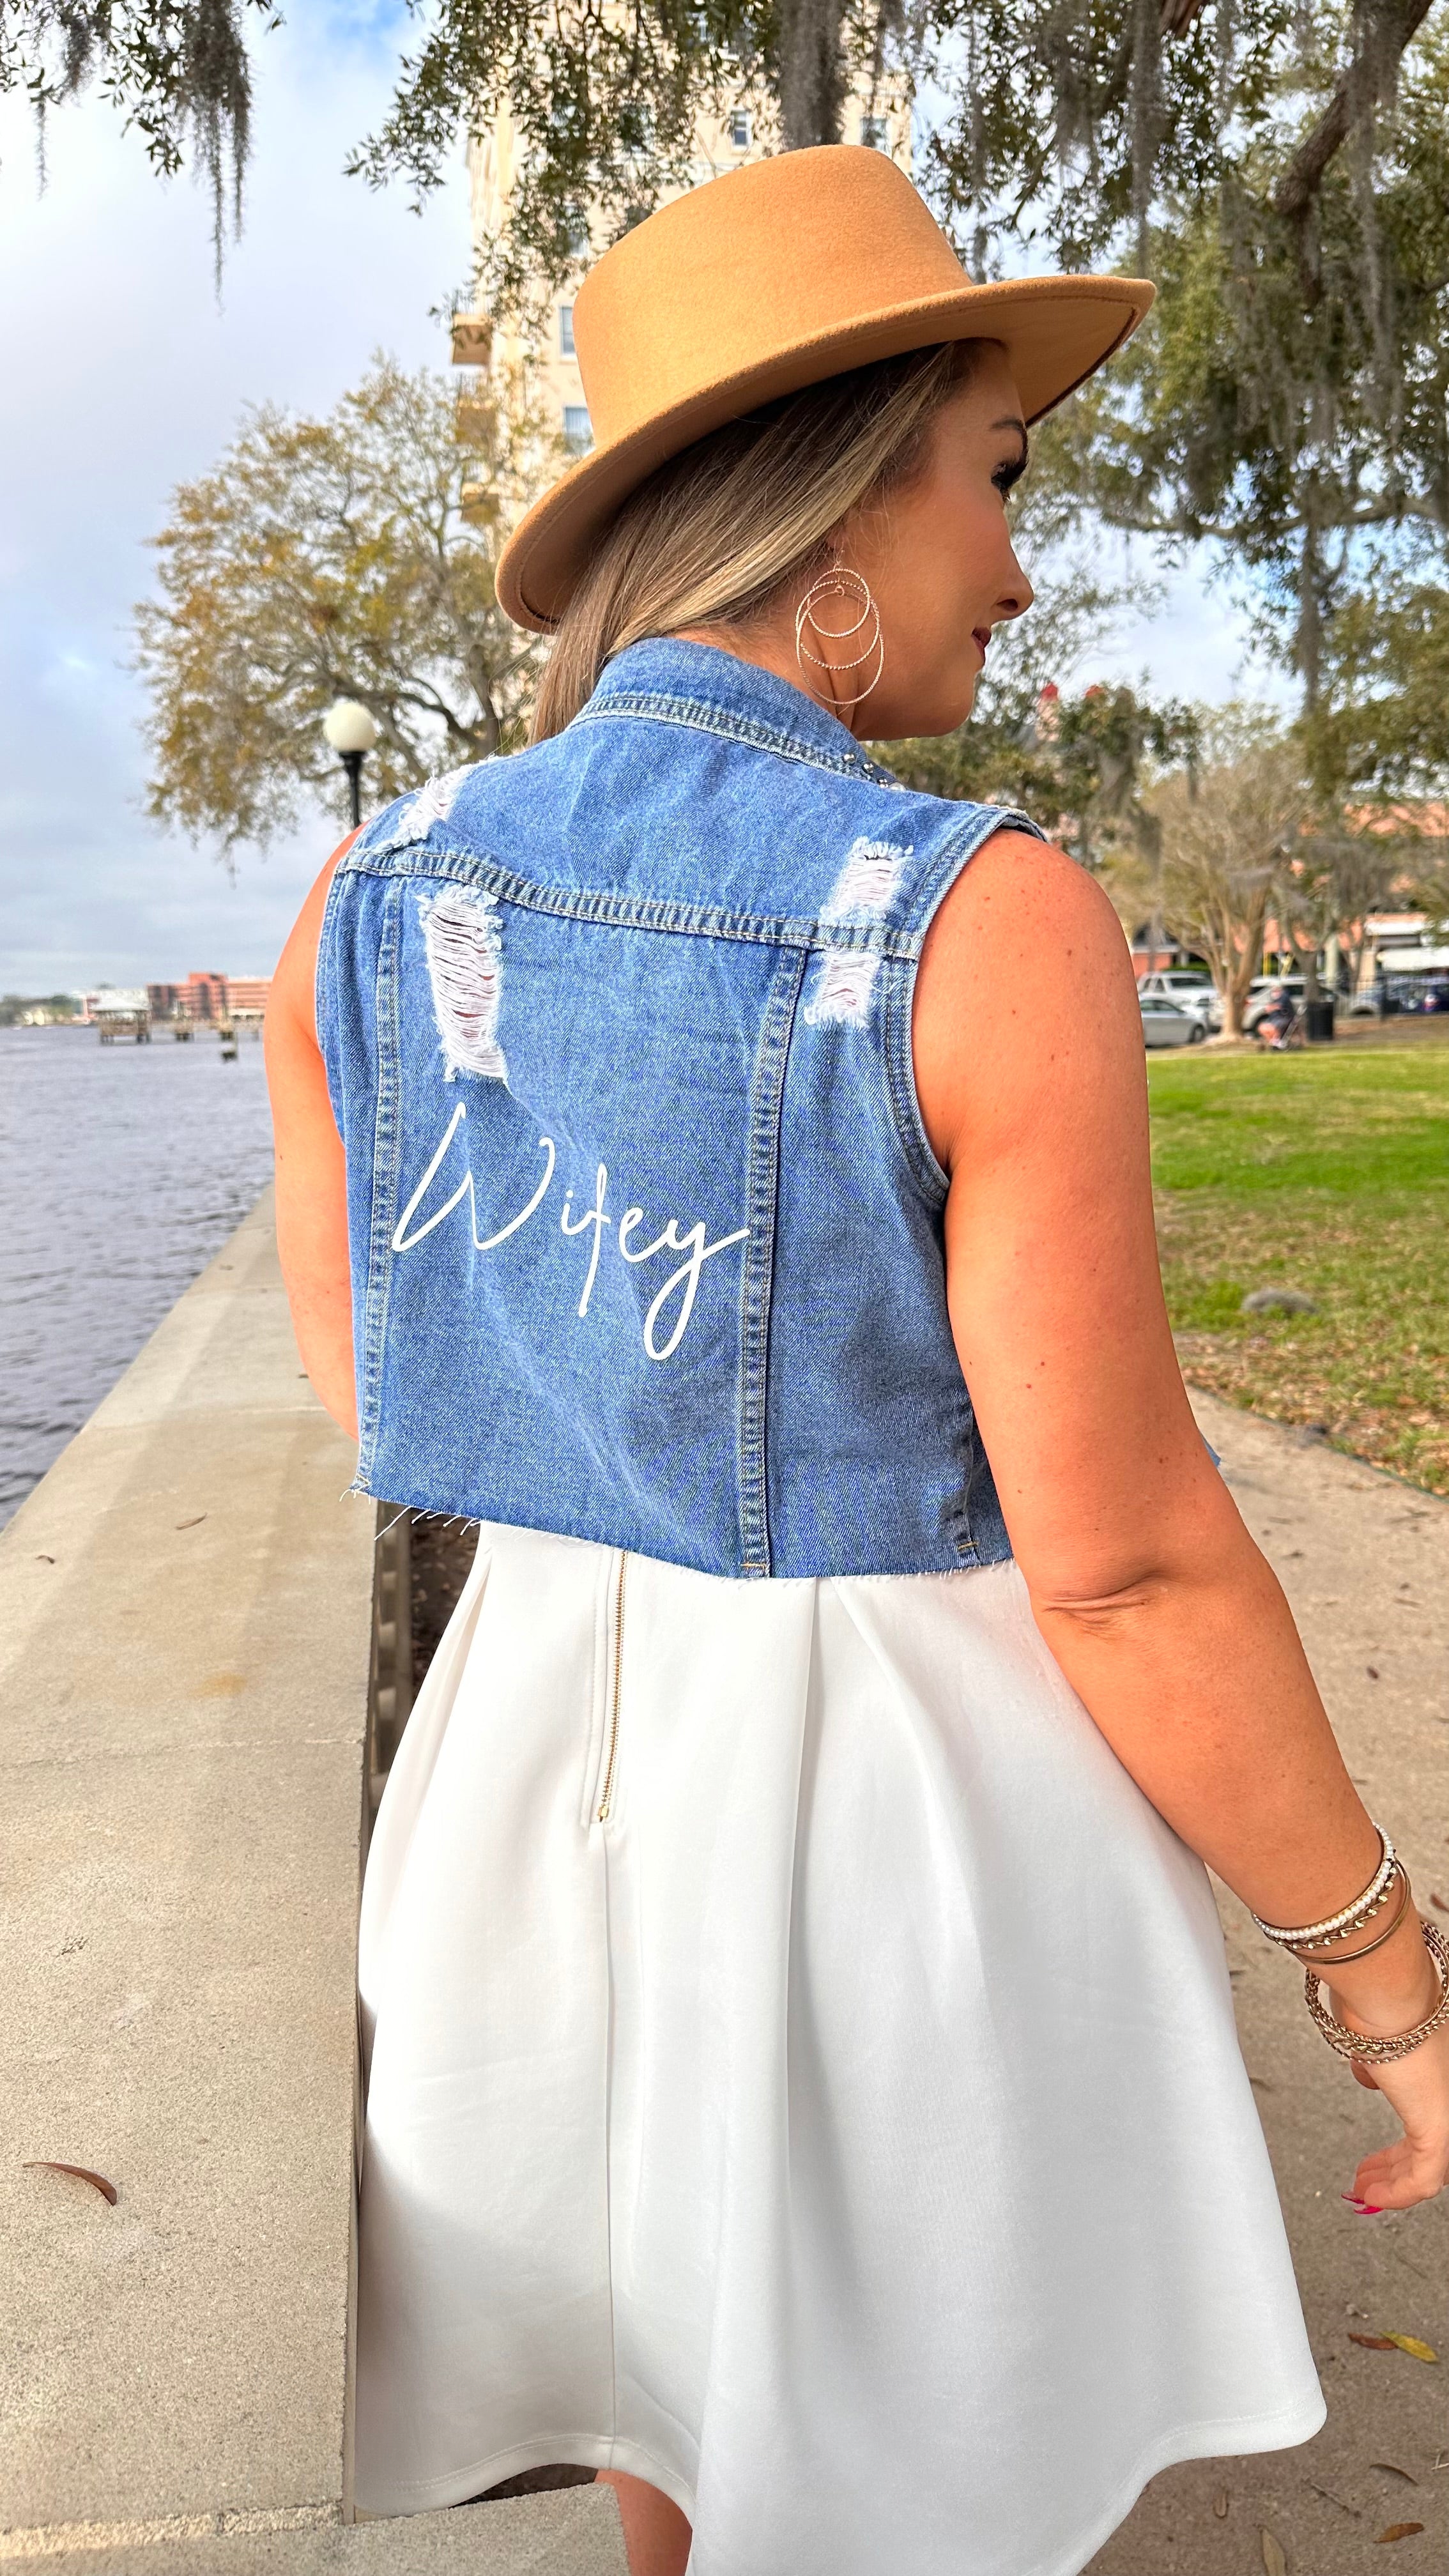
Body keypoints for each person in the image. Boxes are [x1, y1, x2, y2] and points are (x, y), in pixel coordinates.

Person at [265, 147, 1449, 2576]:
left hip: (518, 1784)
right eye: (995, 481)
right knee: (899, 2477)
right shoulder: (977, 923)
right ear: (839, 494)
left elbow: (378, 1385)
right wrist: (1380, 1964)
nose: (1015, 564)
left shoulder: (359, 907)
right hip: (892, 1812)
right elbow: (1118, 1563)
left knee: (673, 2425)